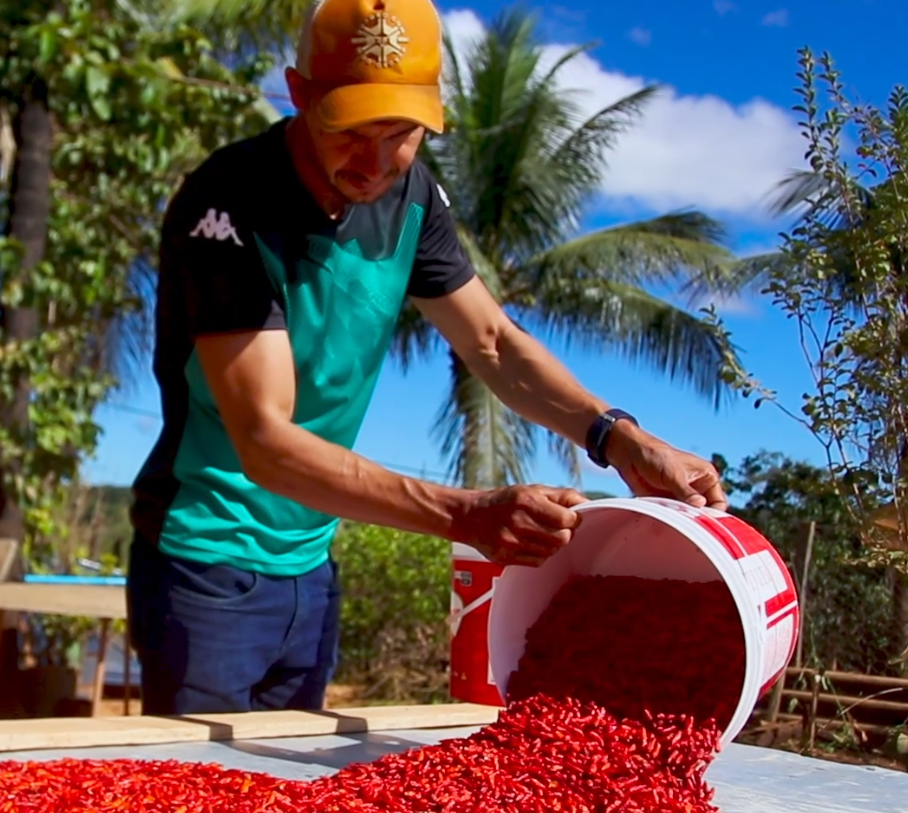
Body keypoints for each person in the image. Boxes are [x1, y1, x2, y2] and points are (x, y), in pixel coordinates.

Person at [126, 0, 727, 716]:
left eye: (403, 133)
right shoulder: (228, 202)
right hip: (205, 565)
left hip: (310, 564)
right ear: (300, 91)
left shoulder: (412, 196)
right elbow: (267, 442)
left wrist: (621, 439)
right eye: (353, 130)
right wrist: (466, 513)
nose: (377, 164)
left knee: (283, 807)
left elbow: (493, 342)